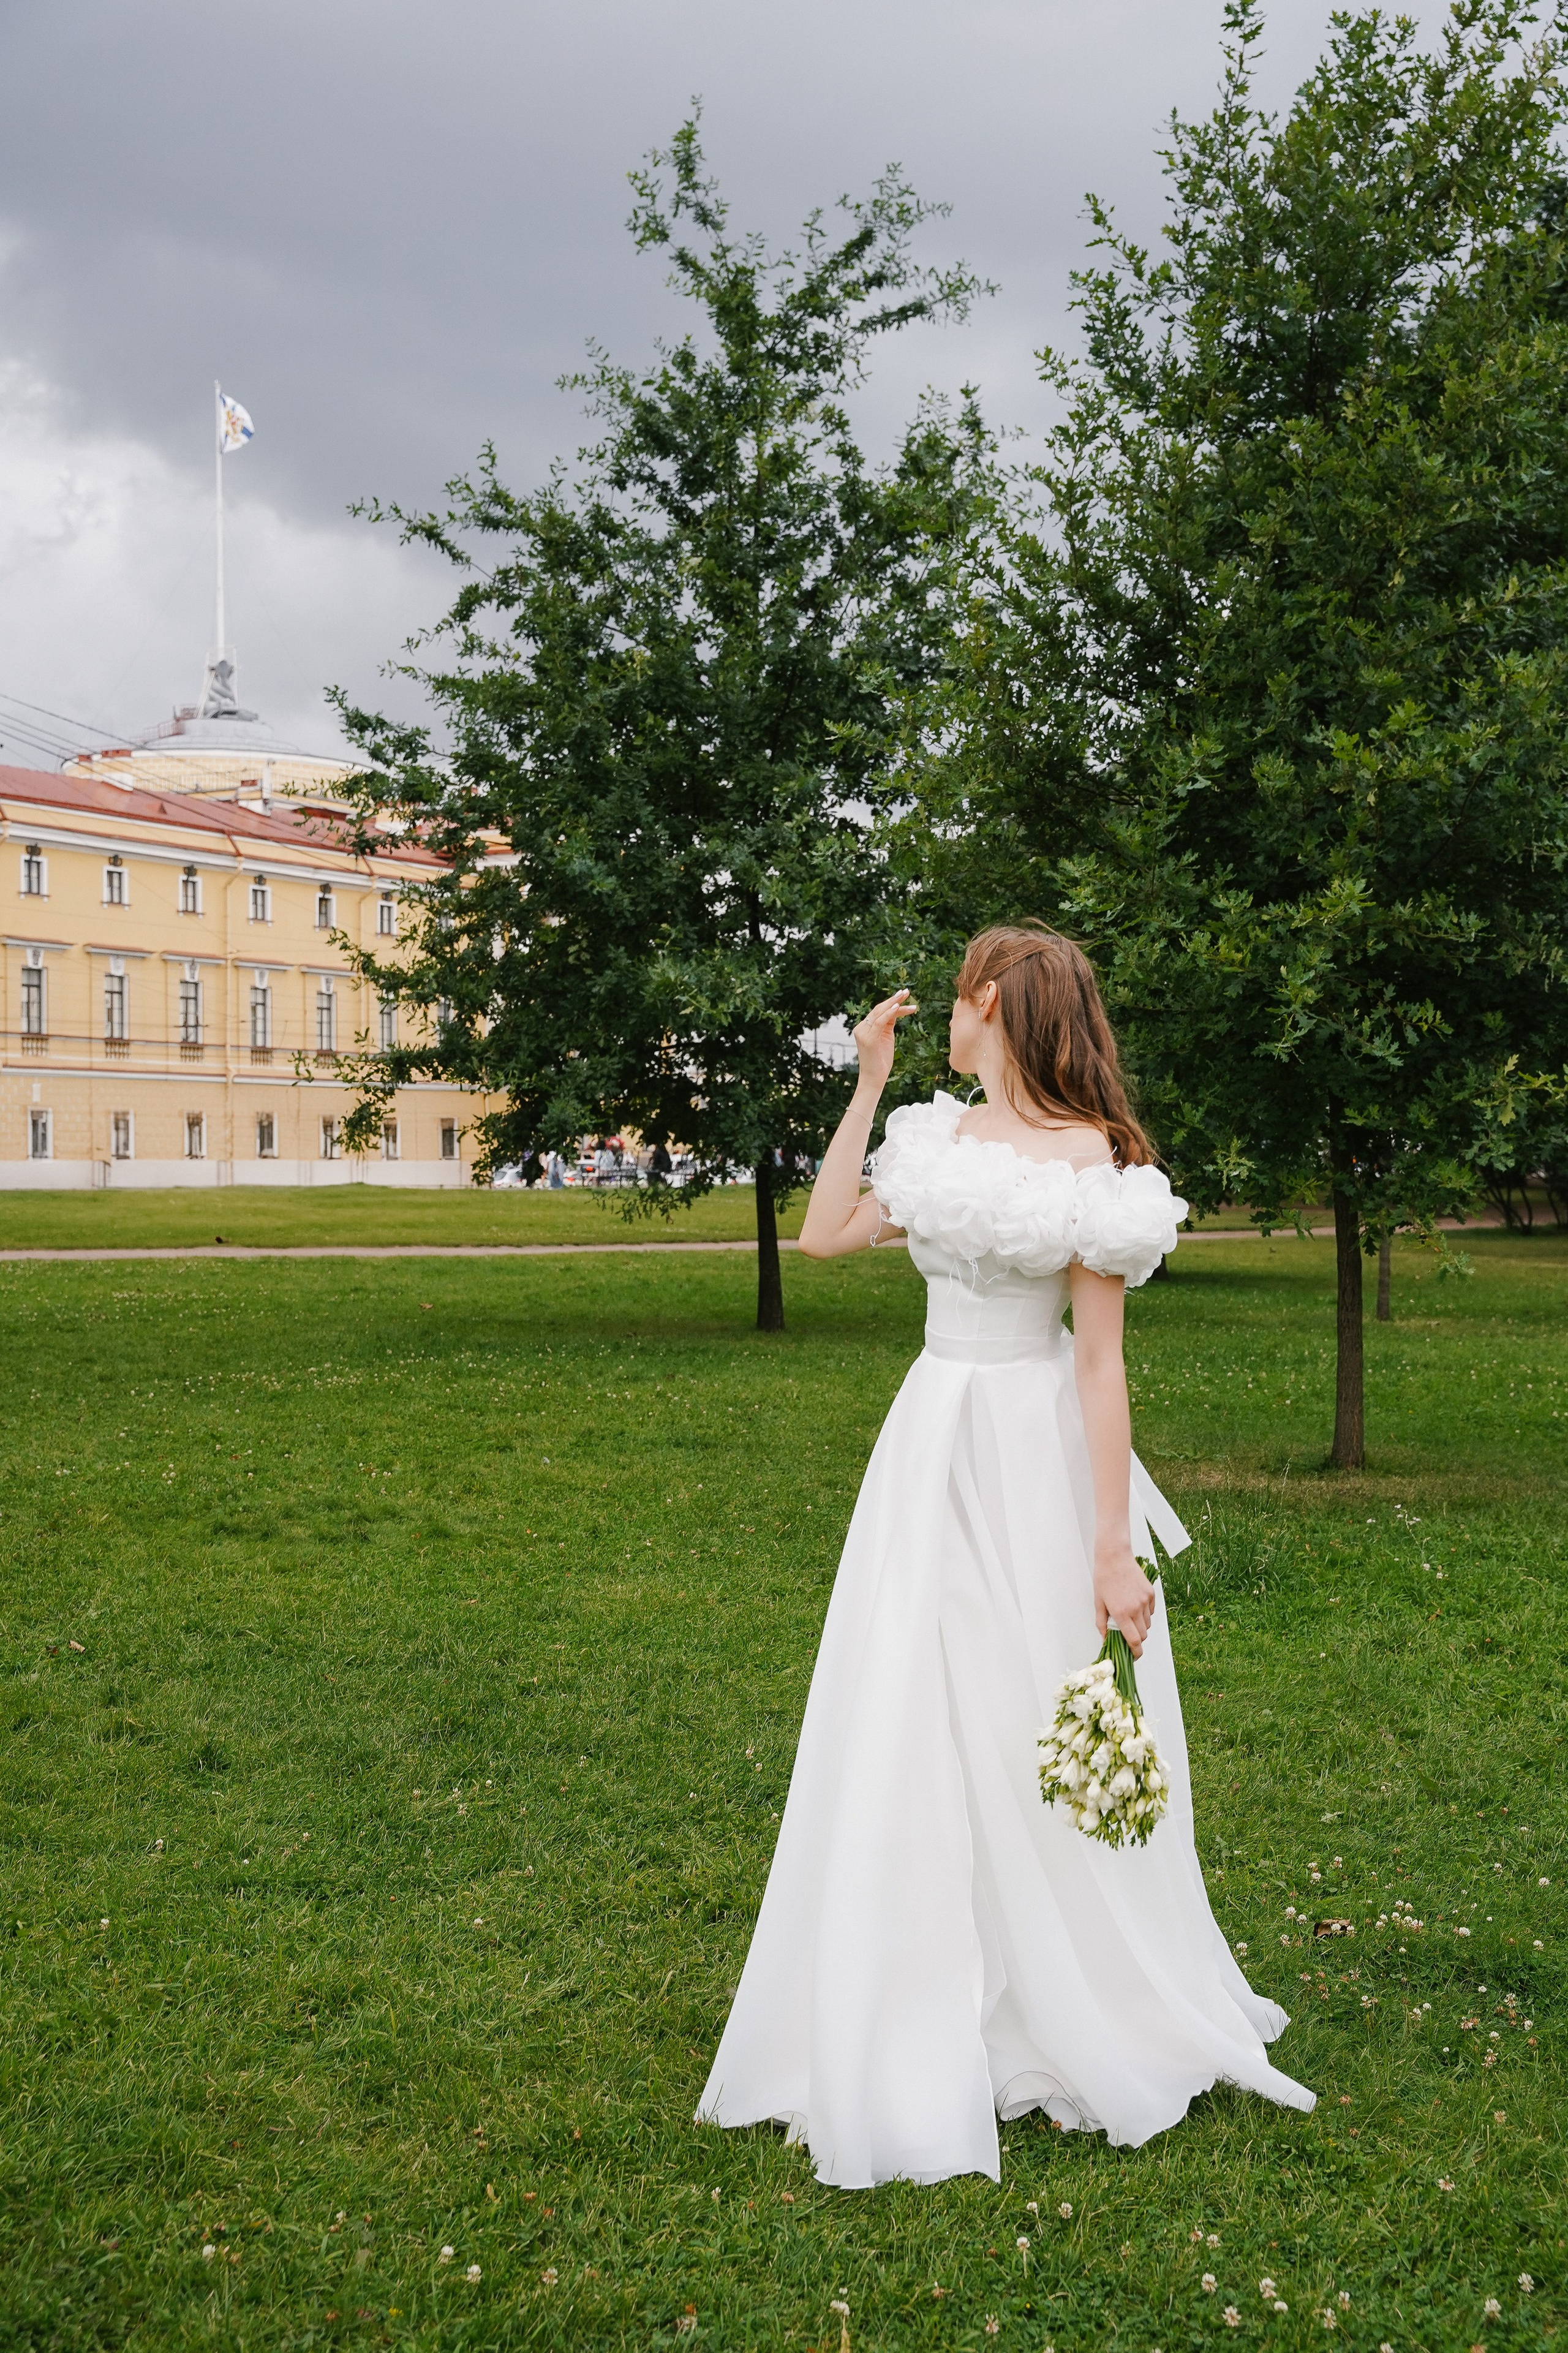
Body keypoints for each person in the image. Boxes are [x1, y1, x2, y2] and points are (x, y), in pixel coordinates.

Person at [696, 923, 1314, 2188]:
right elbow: (819, 1238)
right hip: (928, 1441)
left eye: (958, 997)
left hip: (1029, 1453)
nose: (940, 1018)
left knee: (1025, 1705)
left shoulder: (1090, 1159)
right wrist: (863, 1082)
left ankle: (1063, 1992)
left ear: (997, 1009)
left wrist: (1109, 1546)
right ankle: (927, 1979)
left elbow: (1097, 1363)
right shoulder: (929, 1135)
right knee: (915, 1706)